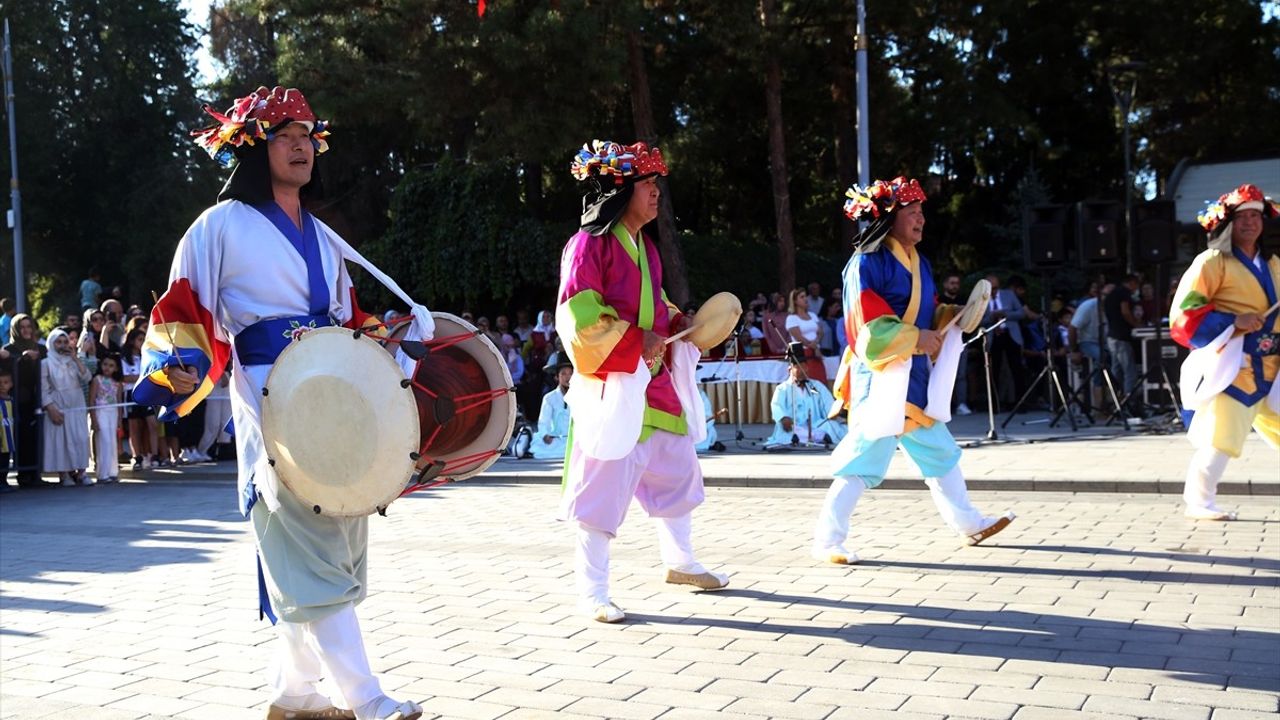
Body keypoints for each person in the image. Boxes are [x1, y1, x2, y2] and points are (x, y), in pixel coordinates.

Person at [133, 85, 426, 719]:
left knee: (335, 531)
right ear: (253, 147)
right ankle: (367, 696)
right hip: (271, 395)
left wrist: (394, 343)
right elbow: (185, 308)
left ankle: (295, 694)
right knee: (305, 532)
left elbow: (347, 317)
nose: (300, 146)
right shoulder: (217, 226)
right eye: (283, 136)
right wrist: (175, 369)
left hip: (335, 390)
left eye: (307, 136)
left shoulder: (323, 235)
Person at [556, 139, 728, 624]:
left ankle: (681, 562)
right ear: (619, 190)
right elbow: (579, 318)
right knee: (603, 484)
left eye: (655, 184)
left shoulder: (644, 247)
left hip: (651, 382)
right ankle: (592, 590)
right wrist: (639, 339)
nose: (656, 193)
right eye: (647, 184)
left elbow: (657, 308)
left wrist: (678, 327)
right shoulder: (587, 244)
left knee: (676, 469)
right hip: (614, 380)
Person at [815, 176, 1014, 565]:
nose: (921, 219)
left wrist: (951, 317)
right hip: (883, 373)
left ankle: (969, 522)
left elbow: (929, 312)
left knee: (940, 453)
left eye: (922, 212)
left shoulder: (919, 261)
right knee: (864, 456)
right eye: (913, 212)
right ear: (891, 218)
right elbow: (865, 327)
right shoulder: (866, 262)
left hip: (912, 375)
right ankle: (827, 539)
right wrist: (915, 339)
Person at [1170, 184, 1280, 521]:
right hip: (1235, 364)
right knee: (1222, 437)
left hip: (1274, 364)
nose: (1250, 222)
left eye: (1255, 216)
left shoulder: (1273, 262)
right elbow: (1184, 312)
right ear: (1228, 222)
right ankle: (1199, 502)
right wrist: (1234, 320)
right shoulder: (1213, 261)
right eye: (1242, 216)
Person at [41, 328, 92, 486]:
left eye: (65, 341)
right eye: (58, 342)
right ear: (51, 343)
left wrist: (76, 358)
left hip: (77, 402)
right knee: (61, 440)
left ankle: (82, 473)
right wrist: (50, 407)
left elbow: (87, 377)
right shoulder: (45, 362)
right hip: (58, 403)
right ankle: (64, 475)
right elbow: (43, 388)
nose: (62, 345)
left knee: (80, 437)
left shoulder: (72, 361)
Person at [4, 314, 48, 487]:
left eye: (29, 326)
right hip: (18, 399)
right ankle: (24, 474)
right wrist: (22, 358)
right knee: (21, 435)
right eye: (22, 327)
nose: (26, 330)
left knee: (37, 435)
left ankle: (36, 473)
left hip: (37, 397)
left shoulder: (40, 348)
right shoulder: (9, 349)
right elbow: (7, 372)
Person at [766, 359, 846, 447]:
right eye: (798, 367)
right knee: (790, 432)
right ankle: (820, 437)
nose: (802, 370)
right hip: (794, 426)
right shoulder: (782, 389)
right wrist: (783, 418)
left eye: (804, 367)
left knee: (831, 425)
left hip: (816, 424)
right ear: (790, 370)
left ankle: (819, 436)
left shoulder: (817, 386)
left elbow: (829, 405)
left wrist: (834, 412)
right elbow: (776, 406)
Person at [121, 329, 161, 470]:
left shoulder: (147, 356)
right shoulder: (125, 358)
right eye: (139, 339)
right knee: (134, 426)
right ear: (132, 341)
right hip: (131, 392)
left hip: (146, 393)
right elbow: (126, 378)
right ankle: (137, 456)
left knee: (152, 423)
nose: (142, 342)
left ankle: (154, 455)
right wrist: (143, 377)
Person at [1105, 274, 1142, 401]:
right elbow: (1125, 312)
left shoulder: (1111, 295)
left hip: (1112, 336)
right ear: (1132, 283)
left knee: (1117, 369)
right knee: (1129, 370)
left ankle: (1115, 398)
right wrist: (1136, 325)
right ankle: (1129, 399)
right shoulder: (1123, 294)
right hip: (1122, 336)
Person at [89, 354, 123, 484]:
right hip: (100, 412)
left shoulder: (118, 383)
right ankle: (102, 474)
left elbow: (119, 402)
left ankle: (112, 472)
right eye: (105, 364)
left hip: (113, 413)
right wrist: (93, 420)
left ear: (116, 368)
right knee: (104, 441)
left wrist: (120, 420)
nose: (107, 368)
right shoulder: (97, 379)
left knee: (112, 442)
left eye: (111, 365)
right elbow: (91, 400)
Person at [785, 288, 827, 382]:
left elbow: (820, 332)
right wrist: (814, 347)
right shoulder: (791, 318)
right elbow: (798, 337)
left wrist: (816, 344)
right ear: (795, 301)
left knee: (820, 381)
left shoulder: (812, 315)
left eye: (805, 296)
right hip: (803, 354)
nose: (805, 299)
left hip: (816, 354)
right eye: (802, 297)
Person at [532, 362, 572, 460]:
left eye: (570, 373)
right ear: (557, 377)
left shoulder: (579, 396)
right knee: (538, 447)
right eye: (563, 373)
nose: (568, 377)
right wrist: (545, 435)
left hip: (573, 439)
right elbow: (543, 421)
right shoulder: (549, 398)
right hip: (556, 439)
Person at [0, 367, 14, 492]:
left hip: (8, 437)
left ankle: (4, 481)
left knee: (5, 460)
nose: (2, 386)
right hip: (1, 437)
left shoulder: (11, 400)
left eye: (5, 382)